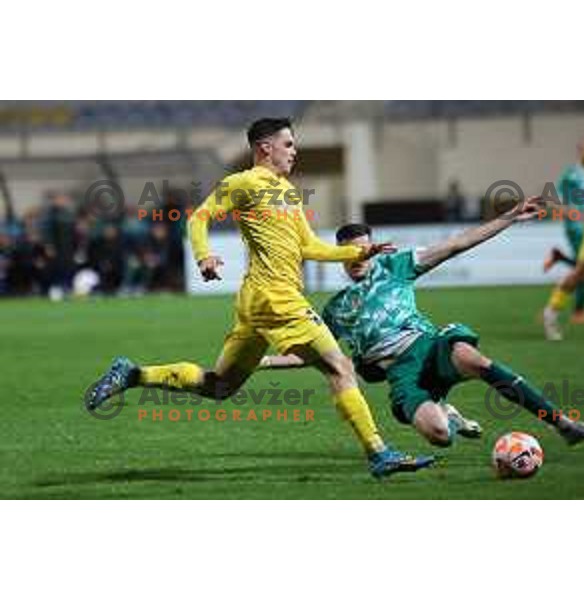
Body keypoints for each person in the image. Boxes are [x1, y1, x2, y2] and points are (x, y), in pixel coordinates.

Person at [85, 117, 434, 478]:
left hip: (258, 303)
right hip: (277, 298)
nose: (294, 151)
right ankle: (379, 452)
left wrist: (357, 254)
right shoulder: (244, 183)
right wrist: (204, 254)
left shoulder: (288, 194)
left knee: (220, 386)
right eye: (288, 144)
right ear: (264, 148)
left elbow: (309, 247)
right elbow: (198, 218)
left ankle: (133, 374)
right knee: (340, 367)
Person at [258, 210, 584, 448]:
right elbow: (317, 355)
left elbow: (456, 245)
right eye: (352, 252)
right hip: (401, 374)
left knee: (472, 358)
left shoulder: (396, 266)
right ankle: (447, 415)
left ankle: (562, 424)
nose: (360, 257)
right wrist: (263, 362)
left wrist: (508, 218)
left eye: (365, 249)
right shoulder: (336, 308)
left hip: (430, 346)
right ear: (341, 255)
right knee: (440, 436)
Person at [544, 138, 584, 340]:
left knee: (582, 272)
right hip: (582, 227)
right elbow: (555, 197)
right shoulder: (573, 173)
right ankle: (578, 311)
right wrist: (567, 212)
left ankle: (552, 311)